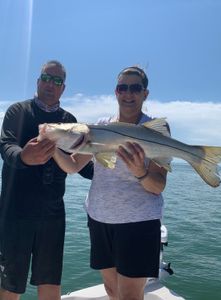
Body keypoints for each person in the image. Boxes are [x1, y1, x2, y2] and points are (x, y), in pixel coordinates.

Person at [52, 66, 170, 300]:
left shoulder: (157, 129)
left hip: (139, 222)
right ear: (116, 92)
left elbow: (157, 186)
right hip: (99, 218)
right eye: (122, 87)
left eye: (135, 88)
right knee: (111, 290)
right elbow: (73, 166)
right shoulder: (100, 125)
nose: (128, 93)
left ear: (145, 93)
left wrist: (141, 172)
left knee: (129, 296)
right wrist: (53, 147)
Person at [0, 60, 93, 300]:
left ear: (63, 88)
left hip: (52, 215)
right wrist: (24, 156)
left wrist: (116, 169)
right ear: (38, 81)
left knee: (50, 283)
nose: (51, 84)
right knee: (10, 285)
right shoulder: (17, 111)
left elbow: (82, 166)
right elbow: (6, 147)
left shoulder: (71, 121)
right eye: (47, 78)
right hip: (14, 213)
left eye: (57, 81)